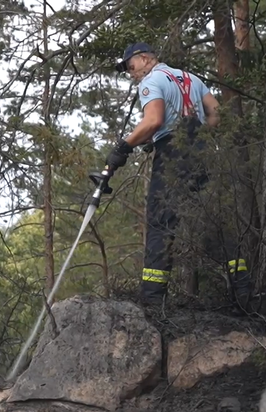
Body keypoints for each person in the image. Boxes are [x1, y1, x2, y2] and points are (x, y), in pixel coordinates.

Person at [106, 42, 251, 310]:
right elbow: (216, 113)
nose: (130, 72)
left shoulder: (150, 82)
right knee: (214, 220)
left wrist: (123, 147)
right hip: (202, 150)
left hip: (172, 153)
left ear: (146, 58)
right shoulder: (190, 77)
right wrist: (198, 137)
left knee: (161, 222)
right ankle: (243, 292)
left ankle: (152, 301)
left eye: (131, 65)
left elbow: (153, 121)